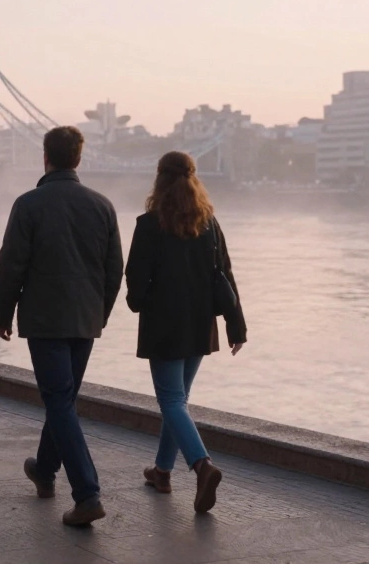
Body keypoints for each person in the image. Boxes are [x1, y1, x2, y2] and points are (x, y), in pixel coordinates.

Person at [0, 126, 123, 527]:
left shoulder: (28, 204)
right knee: (62, 399)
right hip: (85, 319)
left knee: (60, 400)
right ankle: (44, 471)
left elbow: (11, 264)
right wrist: (98, 312)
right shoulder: (102, 206)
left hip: (45, 319)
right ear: (79, 159)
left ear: (45, 157)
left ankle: (87, 494)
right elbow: (114, 269)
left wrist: (3, 313)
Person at [124, 151, 247, 514]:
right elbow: (225, 274)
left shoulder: (149, 225)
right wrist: (236, 325)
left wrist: (139, 301)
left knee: (172, 401)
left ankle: (201, 465)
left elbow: (135, 282)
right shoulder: (208, 223)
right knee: (177, 401)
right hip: (199, 325)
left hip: (164, 327)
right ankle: (162, 471)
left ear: (159, 179)